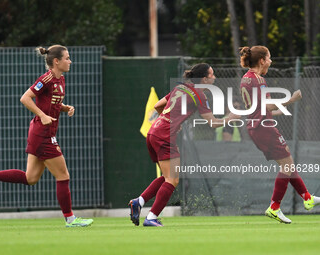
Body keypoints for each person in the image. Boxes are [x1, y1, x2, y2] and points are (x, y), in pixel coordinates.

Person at [0, 45, 93, 227]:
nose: (70, 61)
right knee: (63, 175)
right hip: (43, 135)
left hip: (41, 134)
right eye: (67, 58)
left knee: (30, 178)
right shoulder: (46, 79)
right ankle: (70, 219)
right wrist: (42, 115)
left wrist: (65, 108)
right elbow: (25, 98)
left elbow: (51, 103)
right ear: (56, 61)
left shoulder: (61, 79)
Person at [128, 63, 239, 227]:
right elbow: (213, 123)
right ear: (204, 79)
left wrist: (170, 121)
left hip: (154, 131)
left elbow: (158, 106)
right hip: (164, 135)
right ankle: (151, 217)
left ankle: (139, 201)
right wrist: (230, 117)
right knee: (172, 180)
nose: (214, 77)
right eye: (212, 75)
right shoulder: (199, 95)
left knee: (166, 178)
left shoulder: (180, 88)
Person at [239, 45, 320, 224]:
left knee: (287, 163)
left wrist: (279, 111)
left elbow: (258, 108)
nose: (271, 61)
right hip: (263, 128)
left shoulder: (247, 78)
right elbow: (267, 105)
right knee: (287, 165)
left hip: (257, 126)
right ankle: (275, 207)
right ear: (261, 60)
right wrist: (291, 100)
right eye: (269, 58)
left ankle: (307, 197)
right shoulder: (258, 80)